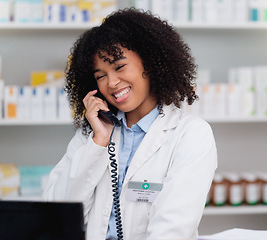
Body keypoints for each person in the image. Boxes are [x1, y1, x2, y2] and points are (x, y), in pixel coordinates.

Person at [42, 8, 217, 240]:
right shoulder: (92, 135)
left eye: (119, 67)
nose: (112, 83)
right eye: (100, 75)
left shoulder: (191, 134)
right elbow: (57, 215)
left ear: (151, 62)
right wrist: (98, 144)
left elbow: (173, 227)